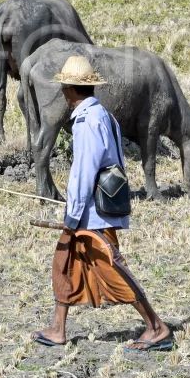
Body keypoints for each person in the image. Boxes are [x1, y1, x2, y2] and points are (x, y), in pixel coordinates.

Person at [31, 55, 173, 352]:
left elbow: (85, 170)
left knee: (112, 269)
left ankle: (156, 327)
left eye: (63, 86)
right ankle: (58, 328)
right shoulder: (101, 114)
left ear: (69, 89)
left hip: (92, 213)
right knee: (64, 260)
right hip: (96, 208)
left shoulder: (88, 121)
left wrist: (73, 215)